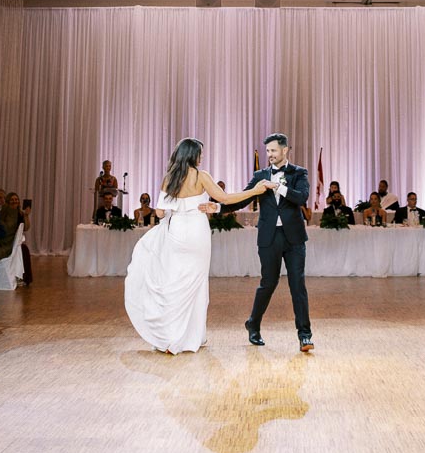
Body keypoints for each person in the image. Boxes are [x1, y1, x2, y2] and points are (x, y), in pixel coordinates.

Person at [124, 138, 267, 354]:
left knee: (175, 281)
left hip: (176, 232)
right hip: (197, 233)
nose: (202, 157)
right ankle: (193, 336)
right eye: (200, 153)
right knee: (197, 284)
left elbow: (161, 212)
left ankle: (170, 335)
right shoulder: (201, 176)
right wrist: (254, 191)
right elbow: (225, 199)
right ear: (192, 154)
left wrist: (175, 207)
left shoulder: (169, 178)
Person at [220, 133, 314, 352]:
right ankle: (253, 324)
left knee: (297, 285)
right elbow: (243, 198)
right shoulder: (259, 175)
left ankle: (305, 335)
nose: (270, 155)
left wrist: (277, 187)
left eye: (273, 150)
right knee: (268, 284)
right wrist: (217, 208)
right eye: (268, 151)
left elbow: (302, 197)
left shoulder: (299, 173)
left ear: (285, 150)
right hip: (269, 238)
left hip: (294, 239)